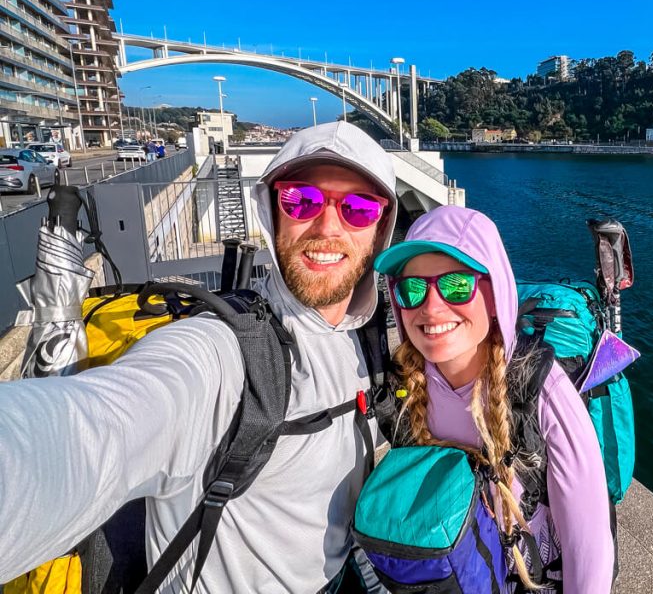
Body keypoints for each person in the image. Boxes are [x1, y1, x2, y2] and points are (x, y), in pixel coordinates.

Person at [0, 121, 398, 592]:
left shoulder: (371, 333)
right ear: (273, 212)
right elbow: (93, 434)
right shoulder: (221, 352)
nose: (328, 226)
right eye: (302, 200)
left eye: (357, 207)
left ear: (380, 229)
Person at [374, 206, 615, 593]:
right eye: (412, 289)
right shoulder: (402, 386)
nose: (431, 307)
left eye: (455, 285)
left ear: (494, 293)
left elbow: (589, 548)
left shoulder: (542, 390)